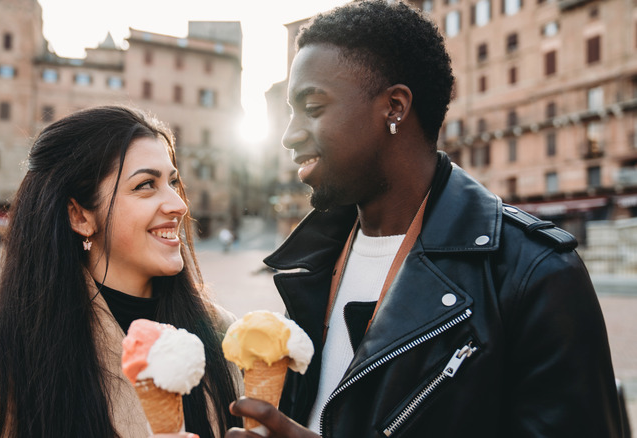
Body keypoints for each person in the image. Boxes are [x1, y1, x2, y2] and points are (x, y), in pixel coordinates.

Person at [226, 1, 624, 437]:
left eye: (313, 108)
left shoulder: (536, 275)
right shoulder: (312, 265)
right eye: (290, 112)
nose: (289, 135)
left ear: (394, 107)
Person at [0, 105, 242, 437]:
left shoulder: (221, 332)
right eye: (146, 185)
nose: (178, 204)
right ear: (80, 217)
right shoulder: (13, 357)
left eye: (172, 182)